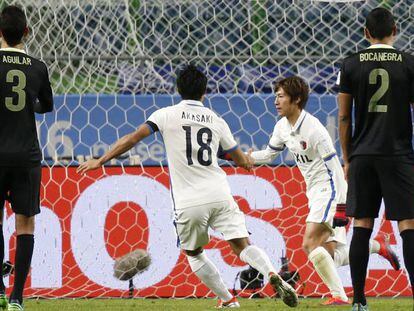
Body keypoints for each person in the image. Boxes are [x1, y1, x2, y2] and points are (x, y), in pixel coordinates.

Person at [77, 65, 298, 308]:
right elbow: (239, 159)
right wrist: (248, 159)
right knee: (242, 245)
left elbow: (132, 138)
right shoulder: (216, 119)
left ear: (178, 89)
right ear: (205, 92)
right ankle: (271, 274)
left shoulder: (165, 114)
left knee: (193, 253)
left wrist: (100, 160)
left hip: (188, 201)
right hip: (220, 193)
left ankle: (228, 300)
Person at [247, 76, 400, 306]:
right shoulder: (282, 127)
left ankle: (338, 295)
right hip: (314, 192)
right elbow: (269, 154)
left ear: (296, 99)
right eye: (275, 96)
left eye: (281, 96)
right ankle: (377, 246)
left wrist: (341, 204)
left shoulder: (315, 129)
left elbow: (335, 169)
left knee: (310, 244)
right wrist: (246, 158)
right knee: (328, 254)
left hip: (329, 190)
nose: (276, 101)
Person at [337, 7, 414, 311]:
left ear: (366, 33)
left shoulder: (351, 64)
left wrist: (347, 158)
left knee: (362, 225)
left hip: (363, 154)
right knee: (408, 225)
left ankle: (358, 301)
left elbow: (344, 117)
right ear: (395, 30)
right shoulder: (408, 63)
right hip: (399, 155)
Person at [0, 5, 54, 311]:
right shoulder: (37, 67)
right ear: (26, 32)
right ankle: (17, 298)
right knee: (25, 224)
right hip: (26, 155)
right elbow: (46, 106)